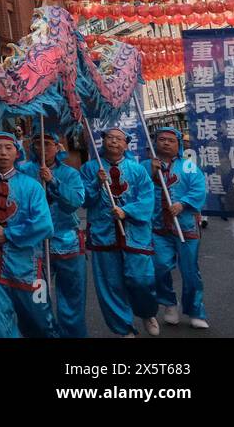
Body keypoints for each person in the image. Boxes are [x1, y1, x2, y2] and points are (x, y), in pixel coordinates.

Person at [0, 132, 55, 338]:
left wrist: (10, 234)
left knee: (40, 320)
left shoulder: (32, 186)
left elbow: (44, 225)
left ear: (17, 152)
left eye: (8, 148)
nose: (3, 153)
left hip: (28, 266)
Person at [82, 126, 158, 337]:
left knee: (141, 278)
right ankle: (124, 328)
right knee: (110, 284)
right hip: (103, 233)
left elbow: (147, 199)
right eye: (110, 138)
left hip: (135, 233)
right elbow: (83, 200)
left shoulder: (137, 170)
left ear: (126, 144)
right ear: (103, 141)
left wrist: (126, 211)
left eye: (119, 139)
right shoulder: (90, 168)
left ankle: (146, 312)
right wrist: (97, 184)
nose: (114, 142)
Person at [146, 126, 209, 329]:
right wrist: (151, 173)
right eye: (161, 139)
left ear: (178, 145)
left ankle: (195, 310)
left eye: (170, 140)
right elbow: (137, 189)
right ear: (155, 142)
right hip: (158, 226)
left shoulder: (188, 166)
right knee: (160, 267)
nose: (165, 143)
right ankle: (169, 303)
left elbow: (199, 187)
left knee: (191, 271)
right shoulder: (146, 165)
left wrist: (183, 204)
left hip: (186, 225)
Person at [32, 131, 87, 337]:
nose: (43, 148)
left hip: (67, 242)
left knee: (72, 298)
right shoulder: (24, 171)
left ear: (57, 147)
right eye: (37, 143)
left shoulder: (71, 174)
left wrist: (54, 181)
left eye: (47, 144)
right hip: (34, 246)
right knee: (36, 298)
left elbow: (75, 202)